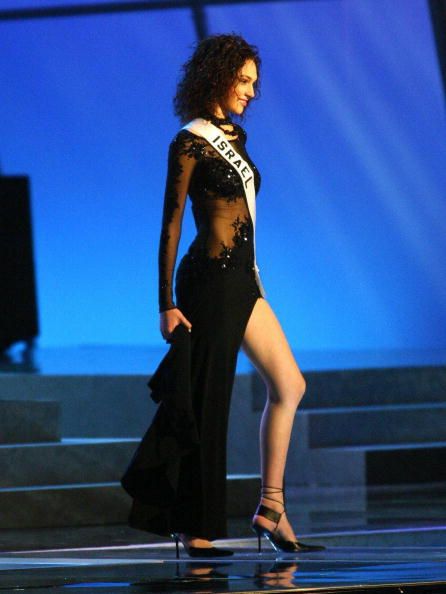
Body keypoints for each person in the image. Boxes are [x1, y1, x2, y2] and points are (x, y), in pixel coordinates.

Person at [121, 33, 325, 558]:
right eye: (245, 80)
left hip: (242, 283)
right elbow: (169, 225)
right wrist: (164, 303)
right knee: (208, 406)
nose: (252, 92)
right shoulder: (189, 141)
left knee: (290, 384)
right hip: (206, 283)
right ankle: (198, 529)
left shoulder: (235, 139)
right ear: (218, 75)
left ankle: (271, 506)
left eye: (255, 83)